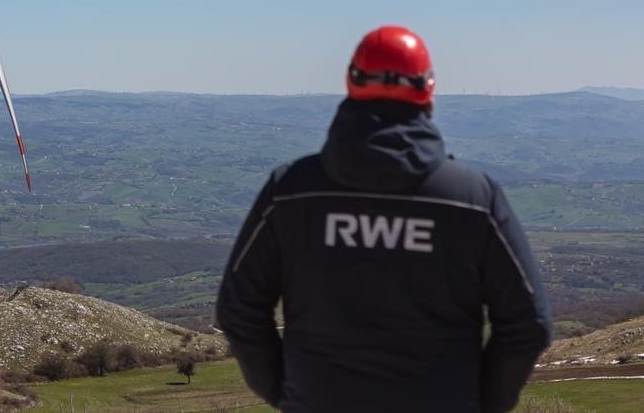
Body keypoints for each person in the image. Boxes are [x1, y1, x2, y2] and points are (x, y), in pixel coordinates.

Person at [216, 26, 550, 413]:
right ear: (428, 90)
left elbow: (238, 308)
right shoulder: (473, 199)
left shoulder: (290, 192)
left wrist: (287, 392)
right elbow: (530, 322)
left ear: (350, 82)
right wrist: (481, 403)